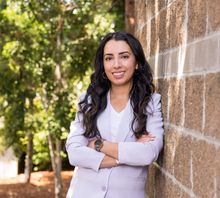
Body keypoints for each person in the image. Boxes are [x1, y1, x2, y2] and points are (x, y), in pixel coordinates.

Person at [66, 31, 164, 198]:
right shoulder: (89, 101)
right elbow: (74, 153)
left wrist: (98, 144)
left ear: (137, 62)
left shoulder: (151, 102)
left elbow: (148, 153)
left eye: (124, 56)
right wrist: (126, 156)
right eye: (109, 58)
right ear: (103, 64)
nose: (116, 64)